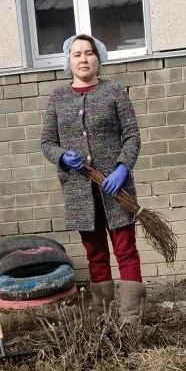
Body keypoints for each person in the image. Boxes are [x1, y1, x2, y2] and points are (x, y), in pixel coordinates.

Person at [40, 33, 145, 323]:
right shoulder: (58, 98)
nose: (84, 59)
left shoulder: (114, 92)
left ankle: (130, 318)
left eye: (89, 53)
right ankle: (103, 315)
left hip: (116, 190)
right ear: (68, 61)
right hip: (79, 192)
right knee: (95, 254)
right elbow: (47, 142)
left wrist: (123, 167)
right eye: (77, 54)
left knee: (126, 250)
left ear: (99, 58)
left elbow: (132, 136)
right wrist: (61, 156)